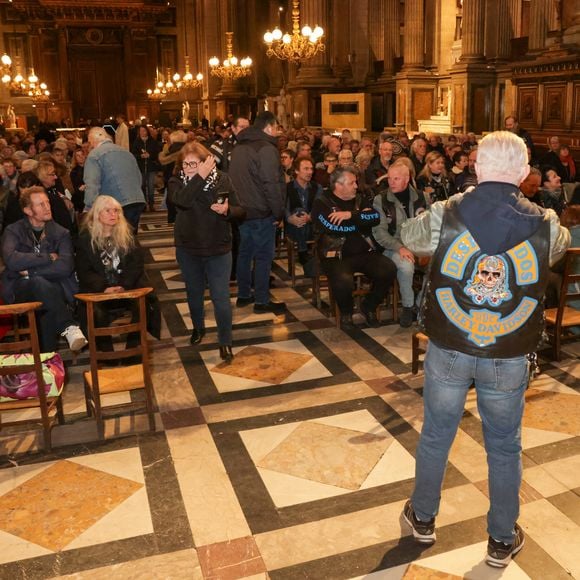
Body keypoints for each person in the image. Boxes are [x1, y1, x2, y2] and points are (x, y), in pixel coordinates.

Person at [399, 131, 570, 568]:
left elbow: (411, 237)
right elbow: (560, 246)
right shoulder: (545, 223)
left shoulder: (446, 212)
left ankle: (422, 518)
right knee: (504, 445)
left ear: (476, 167)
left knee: (437, 432)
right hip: (509, 350)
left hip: (451, 344)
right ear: (523, 172)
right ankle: (500, 538)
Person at [170, 142, 245, 362]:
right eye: (186, 164)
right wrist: (199, 176)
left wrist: (228, 210)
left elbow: (241, 210)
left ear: (205, 161)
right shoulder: (176, 181)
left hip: (218, 247)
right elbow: (182, 202)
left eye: (194, 163)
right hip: (188, 247)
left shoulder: (222, 179)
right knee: (194, 293)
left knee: (221, 297)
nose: (189, 168)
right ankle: (198, 328)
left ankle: (225, 341)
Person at [1, 187, 87, 352]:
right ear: (28, 210)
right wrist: (48, 257)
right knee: (40, 287)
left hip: (54, 288)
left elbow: (65, 266)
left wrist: (31, 271)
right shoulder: (13, 230)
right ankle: (68, 326)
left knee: (44, 305)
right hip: (19, 289)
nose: (48, 207)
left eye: (47, 202)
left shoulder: (61, 232)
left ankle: (46, 365)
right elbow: (11, 260)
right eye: (41, 204)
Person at [311, 166, 397, 330]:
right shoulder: (322, 202)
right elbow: (332, 227)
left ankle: (369, 306)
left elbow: (375, 217)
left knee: (389, 269)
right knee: (343, 280)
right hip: (336, 254)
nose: (356, 186)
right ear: (338, 185)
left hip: (364, 252)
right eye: (352, 183)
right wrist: (359, 222)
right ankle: (346, 313)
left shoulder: (360, 198)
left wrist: (350, 215)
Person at [75, 194, 157, 354]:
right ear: (97, 214)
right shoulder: (85, 238)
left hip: (126, 286)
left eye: (116, 211)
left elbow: (136, 264)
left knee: (144, 303)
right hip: (99, 289)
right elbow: (84, 270)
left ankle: (133, 350)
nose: (114, 215)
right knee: (96, 311)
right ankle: (106, 352)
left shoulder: (128, 234)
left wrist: (124, 285)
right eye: (108, 211)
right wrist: (104, 288)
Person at [228, 111, 286, 314]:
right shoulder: (266, 149)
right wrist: (278, 213)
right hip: (262, 211)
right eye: (277, 128)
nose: (278, 132)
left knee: (245, 254)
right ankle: (262, 300)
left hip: (243, 211)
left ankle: (244, 295)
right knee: (263, 256)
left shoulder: (239, 146)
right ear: (269, 127)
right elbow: (271, 184)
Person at [372, 162, 427, 327]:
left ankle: (419, 303)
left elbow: (431, 226)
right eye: (389, 178)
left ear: (407, 178)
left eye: (396, 178)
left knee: (438, 265)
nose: (391, 182)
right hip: (392, 246)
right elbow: (379, 233)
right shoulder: (380, 200)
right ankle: (408, 307)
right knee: (406, 266)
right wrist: (399, 247)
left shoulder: (423, 197)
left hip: (419, 245)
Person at [83, 126, 146, 231]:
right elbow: (139, 178)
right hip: (137, 200)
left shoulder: (94, 155)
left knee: (117, 239)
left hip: (116, 204)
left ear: (92, 141)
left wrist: (88, 208)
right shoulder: (126, 152)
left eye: (89, 143)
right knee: (130, 238)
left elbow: (92, 184)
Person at [285, 156, 321, 265]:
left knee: (301, 214)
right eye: (306, 169)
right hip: (292, 225)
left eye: (311, 169)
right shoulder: (287, 187)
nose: (310, 172)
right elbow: (284, 207)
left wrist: (309, 217)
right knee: (298, 212)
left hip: (312, 223)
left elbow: (318, 207)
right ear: (296, 170)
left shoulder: (317, 187)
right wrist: (289, 218)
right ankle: (304, 252)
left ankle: (302, 251)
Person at [132, 125, 161, 212]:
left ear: (147, 131)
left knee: (151, 186)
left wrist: (150, 155)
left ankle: (151, 204)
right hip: (141, 167)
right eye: (141, 131)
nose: (142, 133)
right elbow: (133, 154)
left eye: (144, 131)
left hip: (151, 167)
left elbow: (157, 153)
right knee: (142, 186)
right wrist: (140, 156)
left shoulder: (152, 141)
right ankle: (144, 204)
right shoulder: (136, 142)